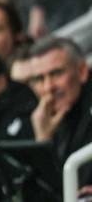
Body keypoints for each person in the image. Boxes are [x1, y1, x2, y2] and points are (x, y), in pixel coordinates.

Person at [27, 37, 92, 187]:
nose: (48, 87)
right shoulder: (42, 120)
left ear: (82, 71)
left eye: (56, 73)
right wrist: (43, 141)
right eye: (39, 79)